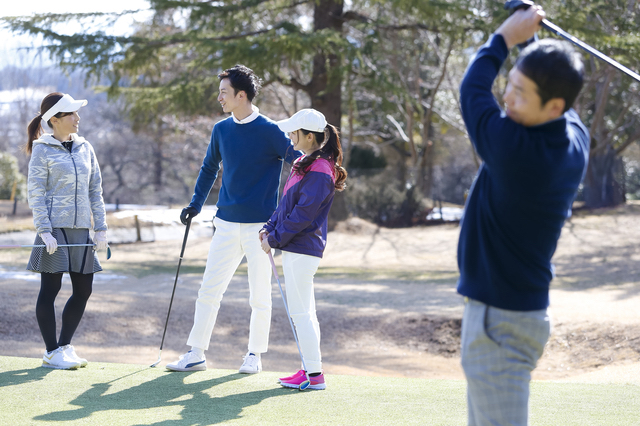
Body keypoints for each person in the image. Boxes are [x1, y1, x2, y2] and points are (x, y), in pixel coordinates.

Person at [457, 6, 590, 425]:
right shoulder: (574, 140)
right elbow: (553, 83)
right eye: (509, 85)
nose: (507, 99)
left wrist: (503, 37)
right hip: (513, 313)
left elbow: (472, 90)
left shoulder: (514, 149)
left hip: (500, 322)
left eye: (519, 93)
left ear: (553, 106)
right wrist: (531, 42)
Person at [166, 64, 300, 374]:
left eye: (224, 93)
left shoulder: (271, 130)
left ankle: (254, 354)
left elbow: (298, 163)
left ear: (242, 95)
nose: (219, 98)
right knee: (209, 290)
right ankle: (196, 352)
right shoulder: (221, 129)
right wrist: (196, 203)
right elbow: (208, 168)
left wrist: (290, 210)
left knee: (259, 296)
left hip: (262, 230)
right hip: (225, 223)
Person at [259, 109, 347, 390]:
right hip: (296, 246)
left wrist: (274, 239)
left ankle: (315, 376)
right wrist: (269, 227)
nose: (289, 136)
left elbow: (303, 214)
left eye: (293, 132)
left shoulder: (320, 170)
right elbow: (286, 205)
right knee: (305, 312)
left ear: (309, 136)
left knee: (301, 313)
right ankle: (310, 369)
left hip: (302, 248)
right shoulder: (304, 162)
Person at [26, 92, 109, 370]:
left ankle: (64, 346)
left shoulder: (86, 147)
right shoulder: (42, 149)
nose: (78, 118)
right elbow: (35, 193)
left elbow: (94, 190)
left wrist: (101, 229)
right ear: (56, 119)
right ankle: (51, 351)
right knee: (50, 289)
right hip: (54, 231)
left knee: (84, 289)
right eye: (72, 114)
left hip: (80, 231)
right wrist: (45, 231)